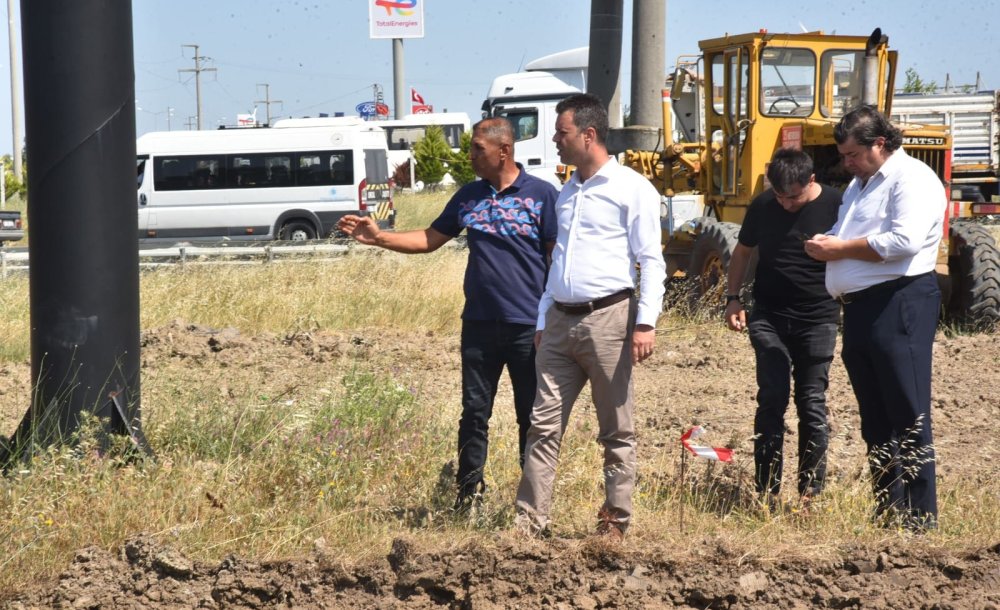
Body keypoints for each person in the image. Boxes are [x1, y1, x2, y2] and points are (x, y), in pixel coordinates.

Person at [338, 118, 558, 511]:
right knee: (474, 413)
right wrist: (380, 238)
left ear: (503, 151)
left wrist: (551, 318)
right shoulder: (468, 196)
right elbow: (429, 239)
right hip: (478, 325)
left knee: (532, 417)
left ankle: (533, 505)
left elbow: (556, 257)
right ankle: (468, 497)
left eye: (477, 148)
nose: (469, 155)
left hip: (529, 327)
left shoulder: (543, 195)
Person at [514, 93, 666, 540]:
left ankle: (615, 522)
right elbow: (557, 261)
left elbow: (650, 260)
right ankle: (529, 523)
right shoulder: (567, 190)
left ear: (589, 134)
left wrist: (645, 322)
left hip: (609, 320)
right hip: (560, 322)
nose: (556, 142)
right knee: (541, 426)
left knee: (616, 428)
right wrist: (544, 319)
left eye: (562, 133)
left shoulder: (631, 188)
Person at [804, 105, 945, 530]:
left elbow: (903, 241)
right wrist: (834, 243)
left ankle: (920, 520)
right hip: (863, 307)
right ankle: (889, 511)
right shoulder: (860, 184)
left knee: (907, 408)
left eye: (851, 155)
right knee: (876, 416)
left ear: (879, 144)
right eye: (843, 155)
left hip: (900, 300)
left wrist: (838, 250)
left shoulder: (912, 178)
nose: (845, 163)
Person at [724, 148, 841, 508]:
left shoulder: (838, 204)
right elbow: (743, 252)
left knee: (811, 403)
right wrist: (733, 298)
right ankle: (766, 492)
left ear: (811, 180)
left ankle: (809, 494)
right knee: (771, 398)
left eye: (794, 197)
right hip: (769, 316)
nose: (787, 204)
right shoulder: (762, 206)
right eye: (779, 196)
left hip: (818, 317)